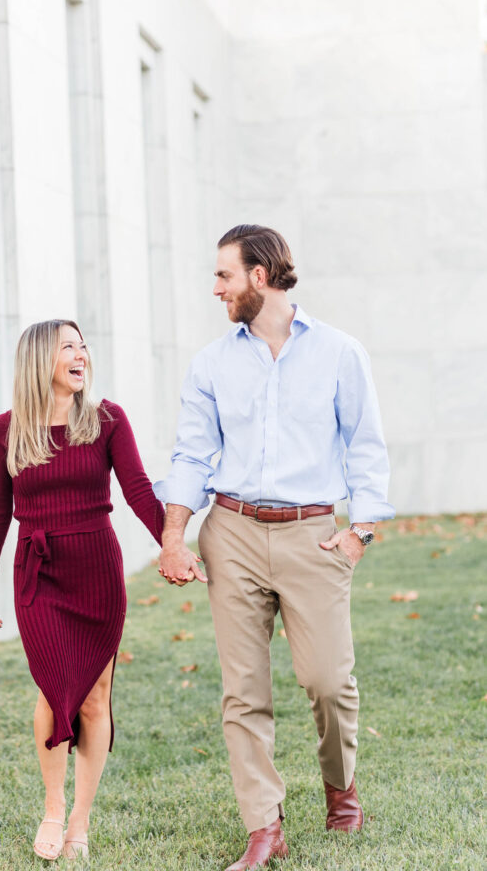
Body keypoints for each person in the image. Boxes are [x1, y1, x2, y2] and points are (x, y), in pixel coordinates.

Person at [156, 224, 394, 870]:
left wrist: (359, 531)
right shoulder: (210, 363)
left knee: (325, 681)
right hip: (230, 531)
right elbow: (190, 454)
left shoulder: (340, 353)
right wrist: (174, 535)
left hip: (311, 533)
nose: (215, 289)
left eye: (223, 276)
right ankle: (264, 826)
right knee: (243, 691)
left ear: (258, 276)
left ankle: (339, 789)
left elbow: (365, 446)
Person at [0, 319, 163, 862]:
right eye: (68, 347)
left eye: (84, 346)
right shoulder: (4, 431)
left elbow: (138, 491)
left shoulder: (107, 420)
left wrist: (172, 544)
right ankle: (53, 806)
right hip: (37, 573)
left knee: (95, 694)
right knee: (52, 685)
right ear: (42, 361)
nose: (81, 354)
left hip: (96, 570)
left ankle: (80, 820)